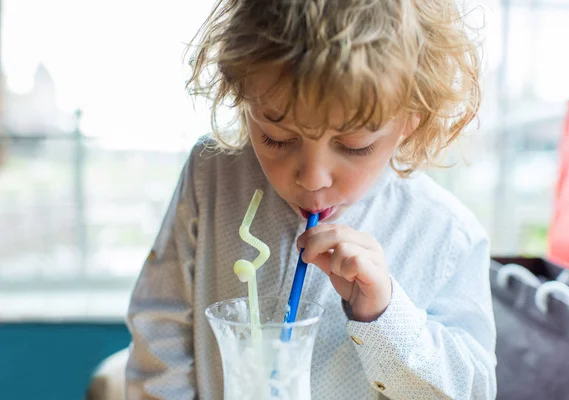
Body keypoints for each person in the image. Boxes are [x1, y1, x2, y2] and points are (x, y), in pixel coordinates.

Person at [125, 0, 497, 398]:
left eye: (354, 146)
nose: (312, 179)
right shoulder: (212, 172)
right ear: (244, 97)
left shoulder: (447, 237)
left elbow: (472, 391)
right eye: (277, 138)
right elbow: (160, 331)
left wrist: (385, 316)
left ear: (410, 119)